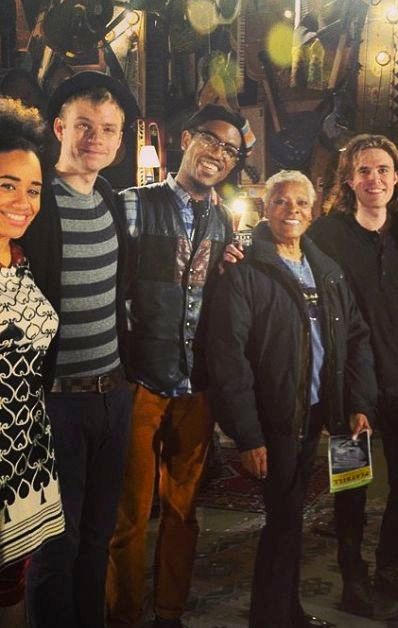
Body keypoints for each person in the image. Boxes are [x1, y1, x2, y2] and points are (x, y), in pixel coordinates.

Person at [198, 170, 377, 628]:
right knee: (282, 519)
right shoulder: (245, 271)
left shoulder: (327, 270)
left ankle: (287, 611)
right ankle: (271, 616)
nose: (291, 210)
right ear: (266, 208)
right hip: (275, 416)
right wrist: (247, 434)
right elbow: (228, 358)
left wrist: (359, 402)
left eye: (301, 202)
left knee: (293, 516)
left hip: (320, 412)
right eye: (281, 201)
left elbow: (355, 336)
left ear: (313, 211)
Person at [106, 104, 255, 628]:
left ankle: (169, 612)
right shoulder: (133, 203)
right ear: (187, 138)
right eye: (211, 140)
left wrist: (231, 272)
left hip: (196, 385)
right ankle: (122, 615)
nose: (218, 154)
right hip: (139, 380)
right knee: (129, 513)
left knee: (183, 511)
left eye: (231, 150)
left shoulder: (227, 219)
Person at [18, 71, 139, 628]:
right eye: (85, 125)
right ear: (59, 128)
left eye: (109, 129)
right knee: (55, 547)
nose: (96, 138)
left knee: (98, 536)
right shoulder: (34, 202)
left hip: (112, 396)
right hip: (54, 401)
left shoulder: (111, 199)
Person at [308, 134, 398, 618]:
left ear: (397, 177)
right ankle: (353, 578)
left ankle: (389, 567)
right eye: (363, 171)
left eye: (382, 170)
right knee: (351, 484)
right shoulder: (326, 234)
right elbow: (288, 257)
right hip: (350, 381)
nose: (374, 179)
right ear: (349, 180)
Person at [0, 97, 65, 624]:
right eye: (7, 185)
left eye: (34, 189)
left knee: (13, 593)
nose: (23, 202)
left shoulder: (19, 259)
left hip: (25, 459)